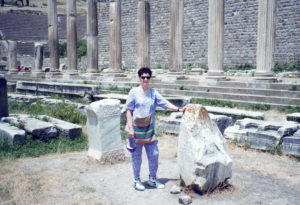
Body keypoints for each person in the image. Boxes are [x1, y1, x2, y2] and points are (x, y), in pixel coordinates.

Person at [125, 67, 186, 191]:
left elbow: (165, 103)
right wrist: (130, 128)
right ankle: (136, 180)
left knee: (154, 154)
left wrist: (179, 109)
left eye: (148, 77)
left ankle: (152, 179)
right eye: (143, 77)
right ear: (139, 78)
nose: (145, 79)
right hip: (135, 130)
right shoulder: (134, 92)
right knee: (137, 156)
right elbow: (128, 110)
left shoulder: (153, 93)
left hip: (149, 129)